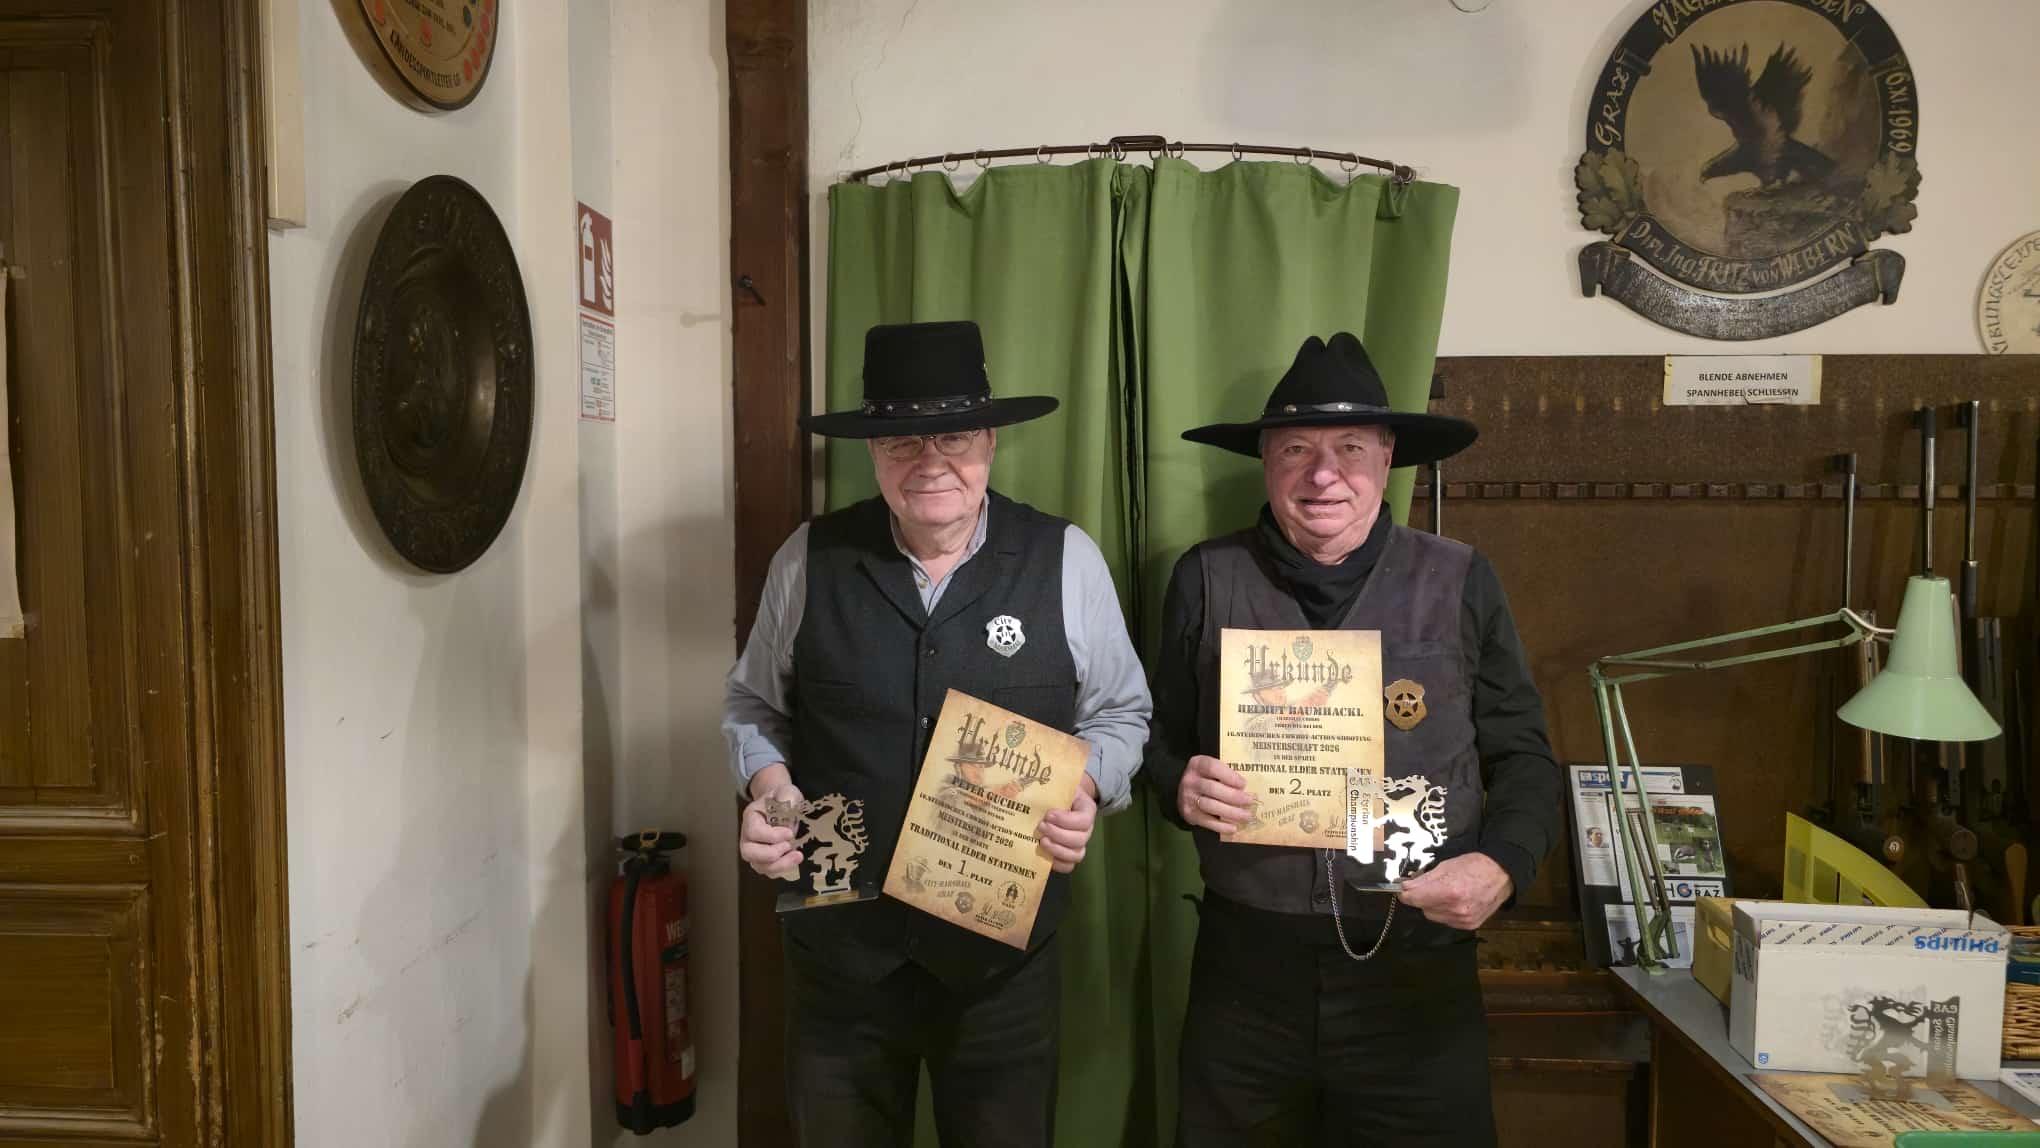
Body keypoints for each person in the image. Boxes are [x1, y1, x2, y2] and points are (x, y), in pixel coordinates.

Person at [722, 319, 1152, 1147]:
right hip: (840, 955)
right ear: (871, 451)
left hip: (1001, 965)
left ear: (990, 441)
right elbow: (754, 706)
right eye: (901, 440)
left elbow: (1121, 712)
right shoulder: (807, 559)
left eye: (953, 436)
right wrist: (768, 789)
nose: (930, 461)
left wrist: (1088, 783)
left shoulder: (1066, 558)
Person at [1146, 332, 1563, 1147]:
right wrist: (1177, 786)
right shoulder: (1204, 576)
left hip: (1416, 978)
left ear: (1388, 457)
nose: (1323, 475)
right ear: (1265, 462)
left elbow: (1524, 757)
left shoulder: (1460, 577)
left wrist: (1504, 864)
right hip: (1247, 975)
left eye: (1349, 449)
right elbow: (1156, 741)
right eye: (1296, 450)